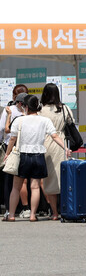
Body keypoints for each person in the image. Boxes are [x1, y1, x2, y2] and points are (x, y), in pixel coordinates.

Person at [3, 95, 70, 221]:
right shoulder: (44, 120)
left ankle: (11, 215)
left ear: (26, 107)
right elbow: (55, 136)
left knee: (16, 187)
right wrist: (65, 148)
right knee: (35, 187)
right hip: (39, 155)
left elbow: (12, 138)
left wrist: (7, 153)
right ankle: (33, 215)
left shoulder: (19, 120)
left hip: (23, 156)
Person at [39, 83, 74, 220]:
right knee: (64, 177)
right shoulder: (64, 108)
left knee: (50, 179)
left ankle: (54, 212)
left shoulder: (41, 109)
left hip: (46, 143)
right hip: (61, 143)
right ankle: (66, 208)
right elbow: (71, 121)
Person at [0, 87, 29, 218]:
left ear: (14, 96)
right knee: (24, 180)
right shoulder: (29, 110)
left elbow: (3, 129)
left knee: (9, 179)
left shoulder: (9, 110)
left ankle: (9, 208)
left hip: (10, 147)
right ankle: (25, 208)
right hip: (25, 146)